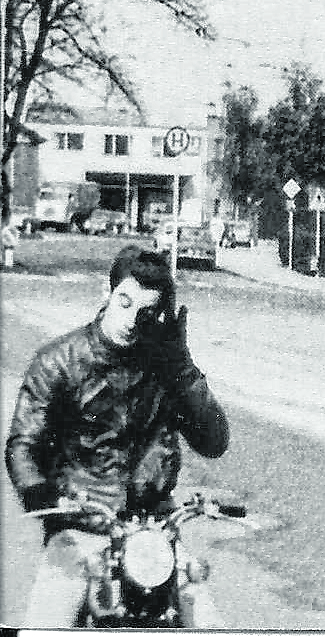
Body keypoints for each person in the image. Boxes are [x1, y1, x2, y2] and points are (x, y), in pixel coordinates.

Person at [7, 247, 230, 627]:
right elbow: (23, 445)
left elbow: (213, 441)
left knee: (208, 621)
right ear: (107, 293)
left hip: (154, 531)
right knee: (47, 624)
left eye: (144, 312)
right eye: (124, 303)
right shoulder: (59, 361)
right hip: (83, 524)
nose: (130, 319)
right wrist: (44, 497)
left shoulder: (164, 366)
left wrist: (182, 366)